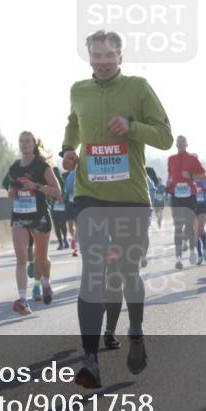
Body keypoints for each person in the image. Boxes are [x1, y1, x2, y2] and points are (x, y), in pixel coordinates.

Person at [61, 29, 172, 388]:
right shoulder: (79, 90)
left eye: (109, 56)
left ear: (120, 58)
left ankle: (136, 333)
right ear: (89, 58)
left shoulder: (138, 88)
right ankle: (90, 359)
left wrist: (132, 126)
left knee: (127, 273)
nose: (103, 62)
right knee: (92, 271)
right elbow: (73, 124)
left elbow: (165, 136)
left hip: (131, 198)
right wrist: (67, 150)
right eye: (96, 56)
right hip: (89, 195)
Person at [5, 131, 61, 314]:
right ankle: (23, 300)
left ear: (33, 144)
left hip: (39, 217)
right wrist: (12, 191)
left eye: (27, 141)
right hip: (19, 216)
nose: (24, 144)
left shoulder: (41, 166)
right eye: (21, 141)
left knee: (41, 259)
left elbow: (57, 191)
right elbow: (10, 193)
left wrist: (36, 186)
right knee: (21, 258)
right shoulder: (14, 168)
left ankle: (45, 282)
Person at [167, 135, 206, 269]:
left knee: (189, 226)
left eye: (183, 142)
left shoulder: (192, 159)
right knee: (178, 227)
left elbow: (204, 175)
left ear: (187, 144)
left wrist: (191, 176)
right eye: (179, 142)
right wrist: (168, 181)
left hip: (190, 195)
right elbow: (170, 176)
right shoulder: (171, 159)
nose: (181, 144)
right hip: (176, 195)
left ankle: (192, 252)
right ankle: (178, 259)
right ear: (176, 145)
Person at [193, 172, 206, 265]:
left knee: (200, 229)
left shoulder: (203, 174)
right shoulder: (187, 179)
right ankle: (200, 255)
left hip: (203, 206)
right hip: (192, 207)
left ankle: (205, 248)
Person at [50, 165, 70, 251]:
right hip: (53, 205)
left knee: (62, 224)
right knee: (56, 225)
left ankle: (65, 239)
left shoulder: (62, 180)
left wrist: (62, 198)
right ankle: (60, 242)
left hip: (62, 205)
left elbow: (66, 190)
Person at [64, 167, 78, 256]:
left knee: (78, 225)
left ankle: (76, 247)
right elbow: (65, 189)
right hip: (69, 202)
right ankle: (73, 239)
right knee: (70, 225)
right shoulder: (66, 175)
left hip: (79, 201)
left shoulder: (81, 171)